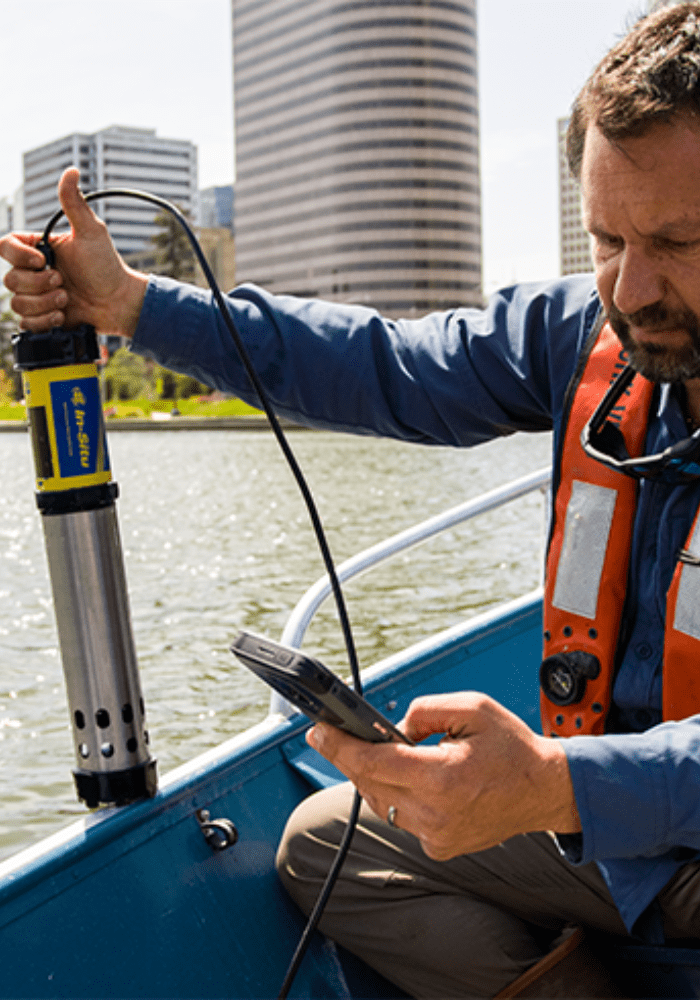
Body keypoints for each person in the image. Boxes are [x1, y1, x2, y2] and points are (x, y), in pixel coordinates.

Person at [3, 4, 700, 995]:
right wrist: (132, 304)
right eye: (604, 238)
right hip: (609, 825)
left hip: (644, 808)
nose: (629, 289)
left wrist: (556, 784)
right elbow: (382, 366)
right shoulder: (578, 329)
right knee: (333, 847)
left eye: (676, 241)